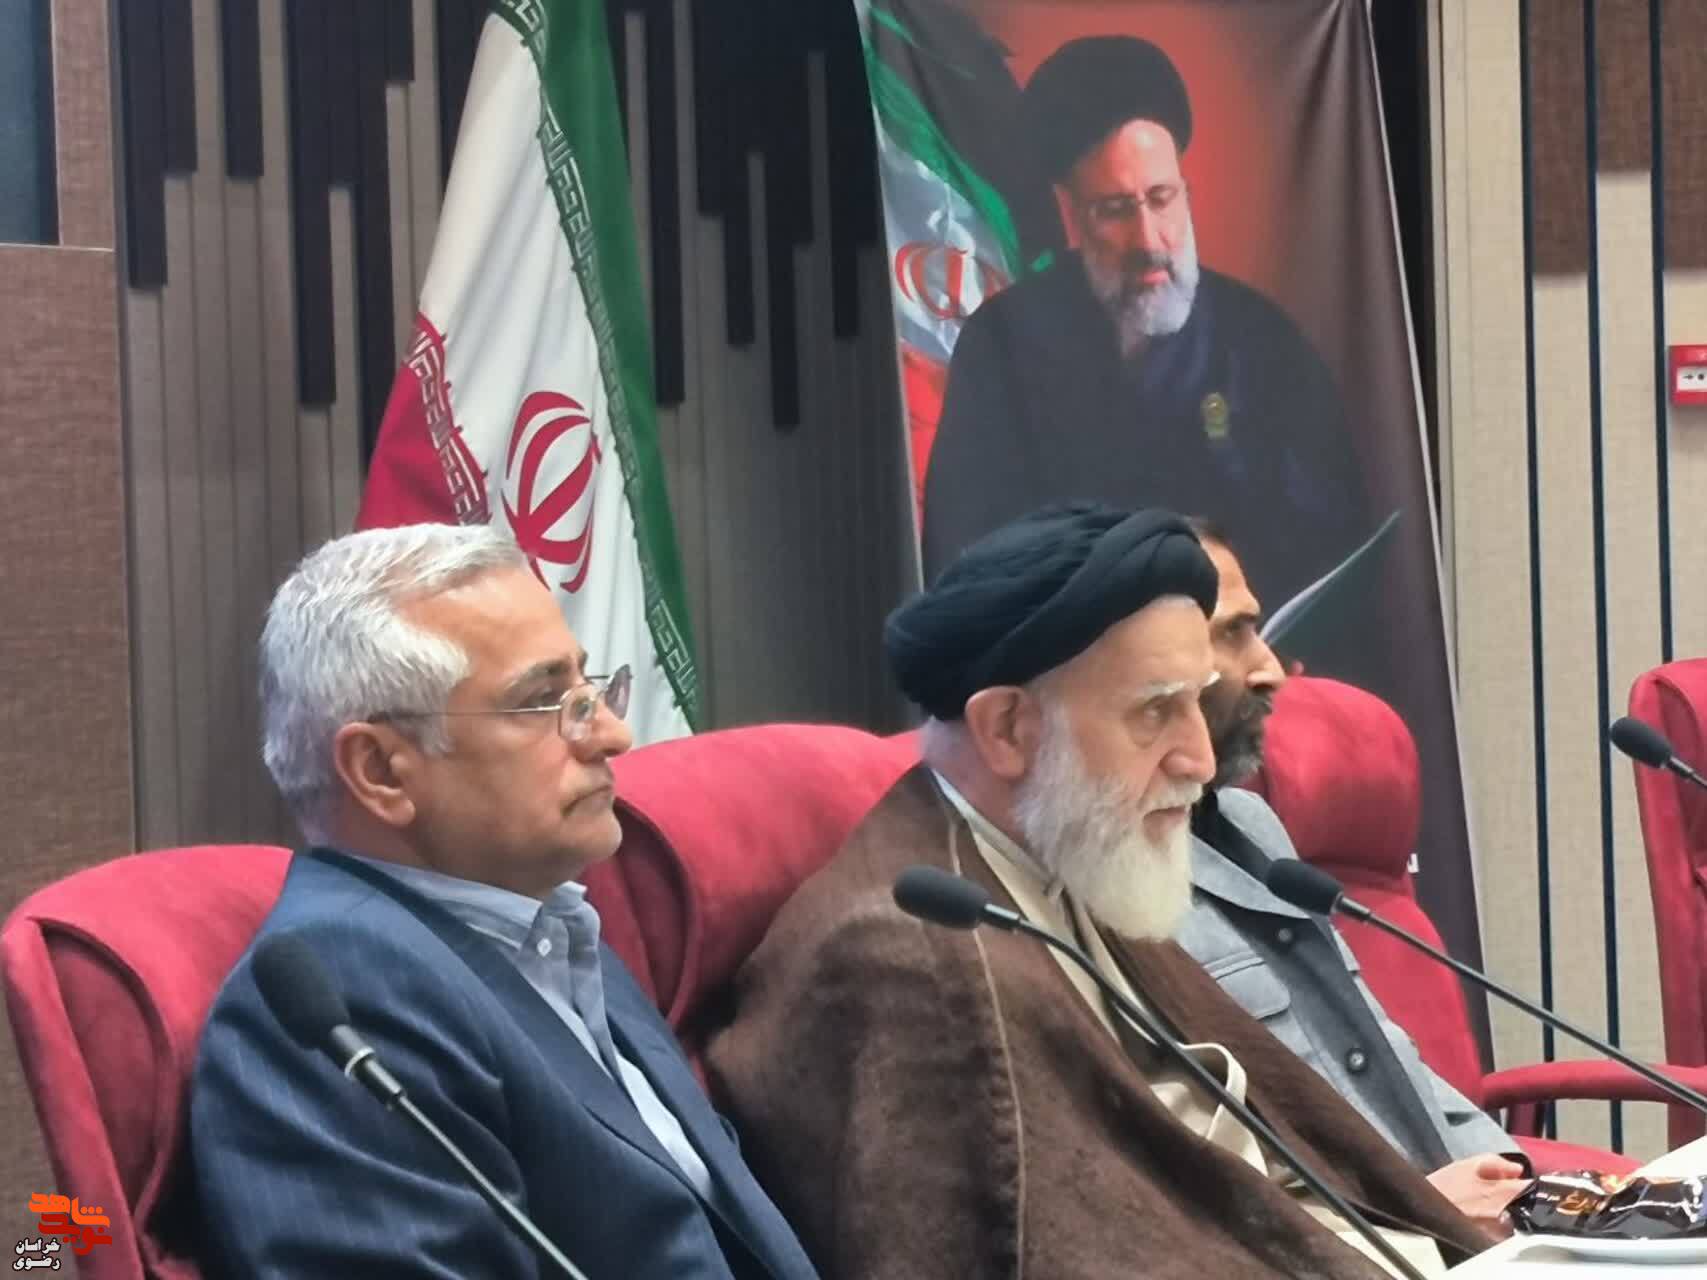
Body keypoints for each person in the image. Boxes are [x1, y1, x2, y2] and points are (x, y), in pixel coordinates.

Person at [706, 505, 1488, 1279]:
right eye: (1155, 711)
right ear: (1007, 730)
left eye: (1196, 702)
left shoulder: (1061, 860)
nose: (1198, 760)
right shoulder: (908, 964)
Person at [191, 524, 819, 1279]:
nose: (613, 734)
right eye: (541, 702)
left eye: (589, 688)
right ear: (382, 770)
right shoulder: (346, 1000)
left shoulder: (548, 923)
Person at [922, 35, 1370, 604]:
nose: (1150, 240)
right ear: (1070, 214)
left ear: (1186, 192)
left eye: (1162, 199)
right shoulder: (1001, 345)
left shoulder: (1264, 342)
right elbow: (963, 557)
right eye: (1114, 211)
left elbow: (1330, 551)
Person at [1178, 520, 1530, 1231]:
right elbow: (1203, 1177)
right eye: (1234, 632)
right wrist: (1414, 1209)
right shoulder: (1101, 884)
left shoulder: (1249, 822)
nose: (1271, 669)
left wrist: (1519, 1181)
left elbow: (1379, 1047)